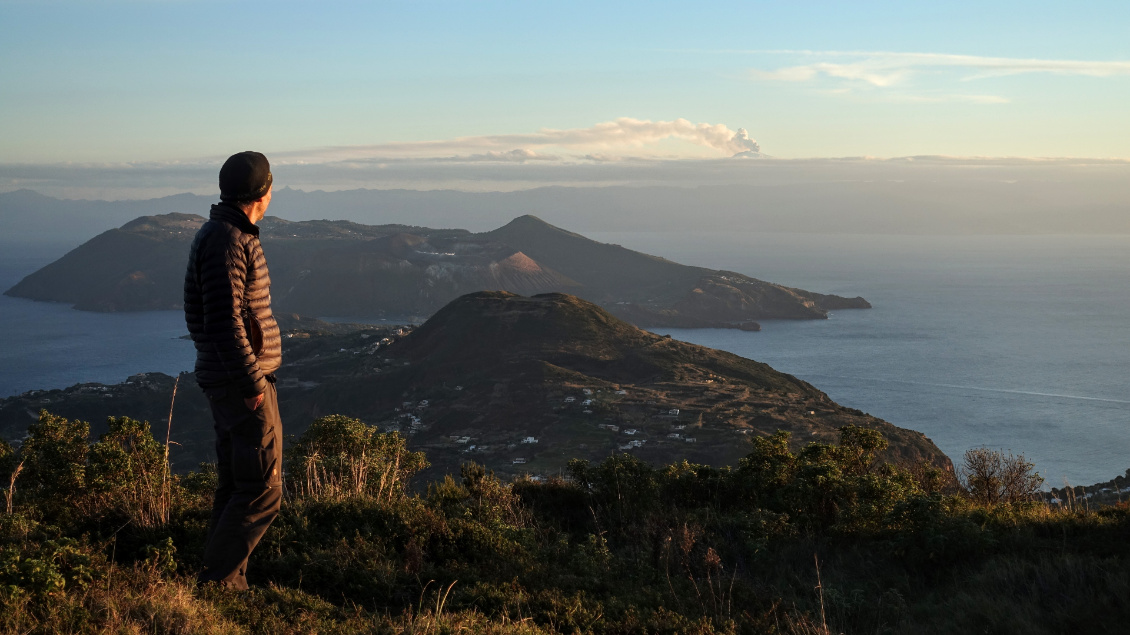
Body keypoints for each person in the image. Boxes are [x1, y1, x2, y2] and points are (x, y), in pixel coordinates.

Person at [184, 151, 282, 589]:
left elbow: (208, 318)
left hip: (229, 378)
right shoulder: (228, 239)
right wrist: (251, 381)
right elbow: (222, 320)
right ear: (263, 191)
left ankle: (224, 582)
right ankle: (219, 584)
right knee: (262, 486)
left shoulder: (223, 233)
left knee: (237, 483)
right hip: (241, 383)